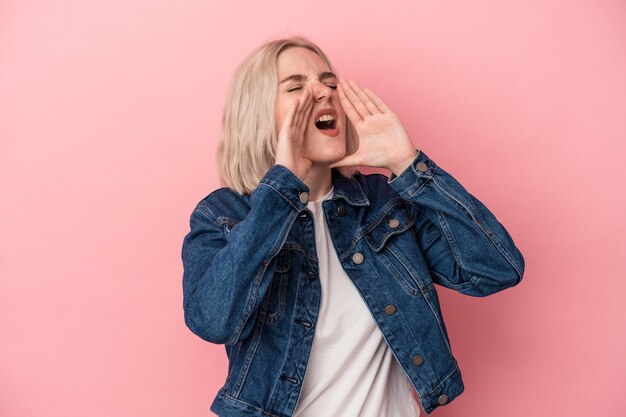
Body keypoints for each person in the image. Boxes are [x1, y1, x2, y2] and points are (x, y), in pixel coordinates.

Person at [181, 35, 525, 417]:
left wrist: (407, 164)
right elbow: (212, 321)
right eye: (296, 86)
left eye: (329, 83)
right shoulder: (224, 214)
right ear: (259, 116)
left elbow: (497, 269)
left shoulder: (383, 202)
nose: (323, 93)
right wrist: (280, 190)